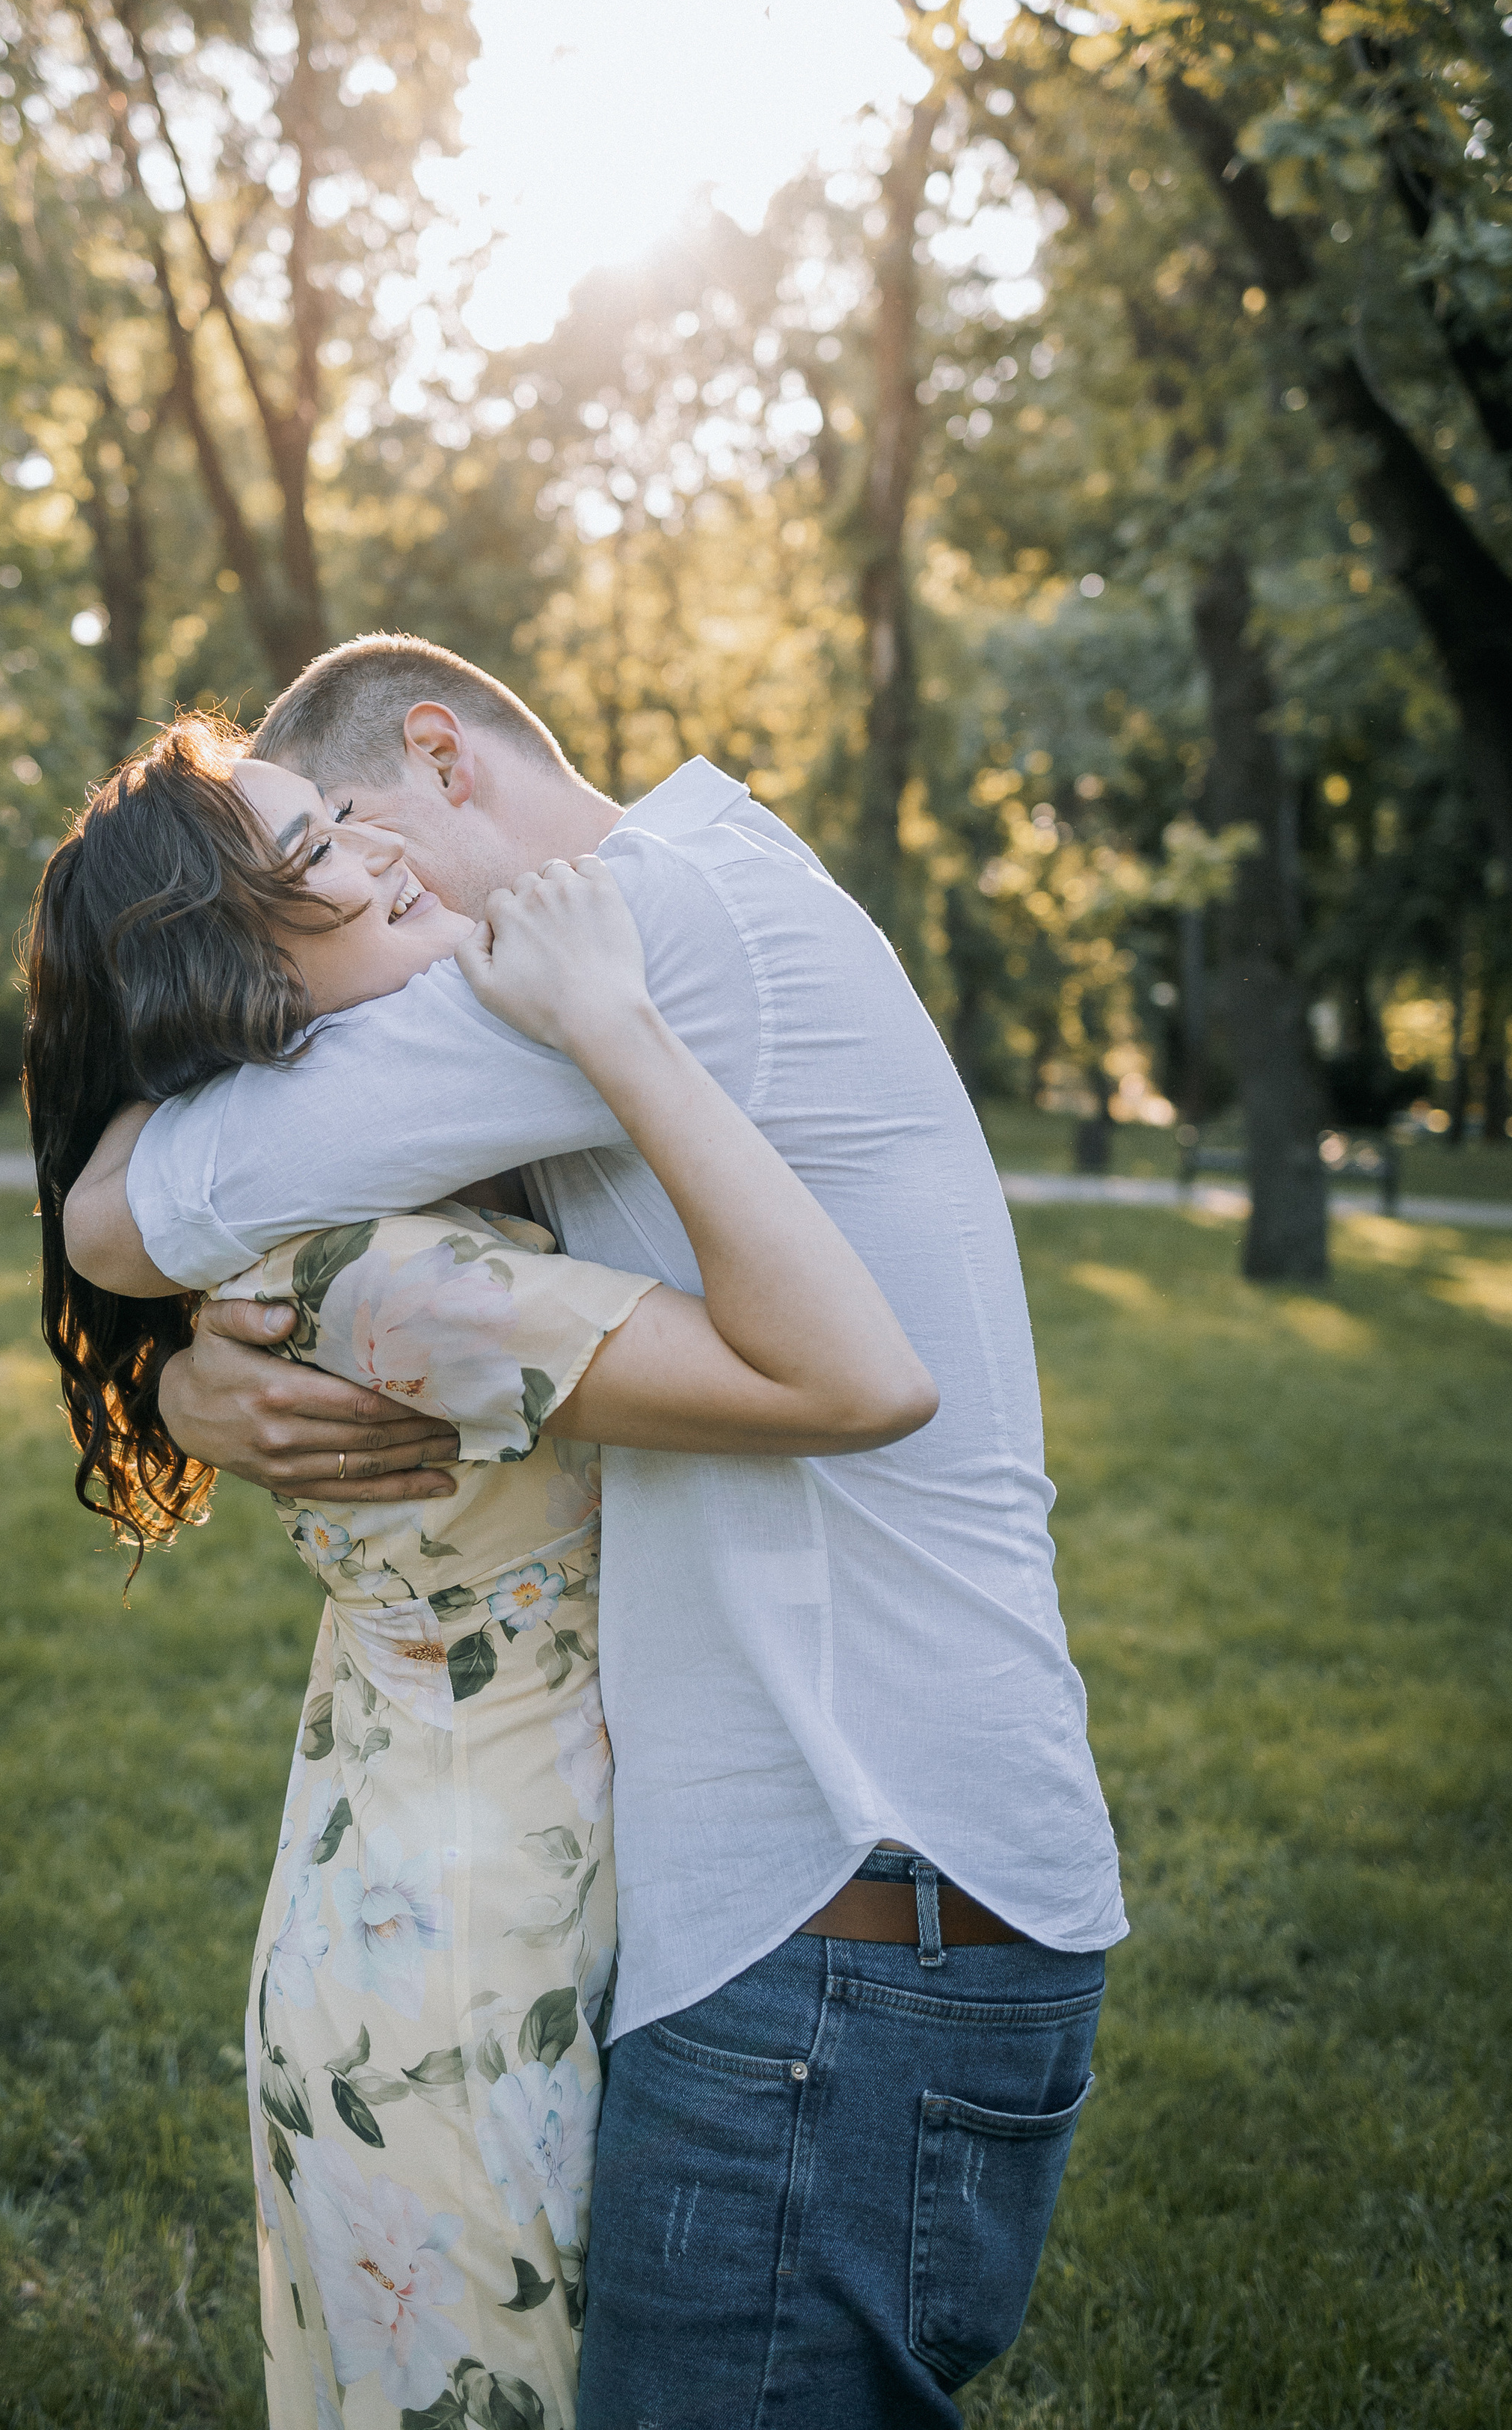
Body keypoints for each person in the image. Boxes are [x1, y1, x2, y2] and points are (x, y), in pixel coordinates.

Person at [65, 636, 1128, 2429]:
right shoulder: (692, 895)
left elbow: (144, 1203)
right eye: (319, 852)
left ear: (439, 755)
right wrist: (182, 1382)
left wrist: (154, 1350)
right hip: (833, 1904)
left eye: (349, 820)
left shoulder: (615, 948)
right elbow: (235, 1195)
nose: (385, 874)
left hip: (845, 1913)